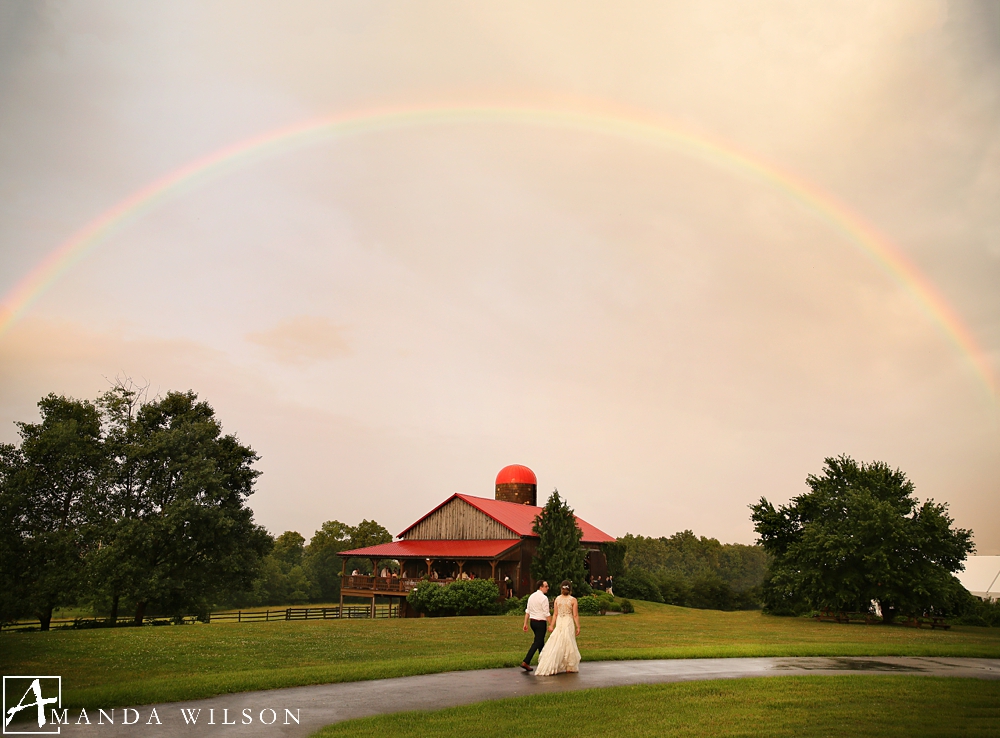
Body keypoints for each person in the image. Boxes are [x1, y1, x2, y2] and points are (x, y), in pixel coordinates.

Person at [534, 580, 581, 676]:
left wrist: (552, 625)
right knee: (568, 643)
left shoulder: (557, 599)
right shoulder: (573, 600)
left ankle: (557, 663)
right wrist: (578, 626)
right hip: (568, 622)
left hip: (560, 622)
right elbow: (575, 615)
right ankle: (569, 666)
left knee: (558, 642)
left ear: (561, 589)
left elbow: (555, 614)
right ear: (570, 589)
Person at [520, 581, 551, 672]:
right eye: (546, 586)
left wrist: (525, 623)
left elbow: (527, 611)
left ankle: (544, 662)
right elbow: (546, 613)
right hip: (540, 622)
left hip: (532, 622)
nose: (547, 588)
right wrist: (551, 624)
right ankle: (526, 661)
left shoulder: (531, 596)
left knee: (540, 642)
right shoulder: (544, 598)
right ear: (540, 587)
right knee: (537, 642)